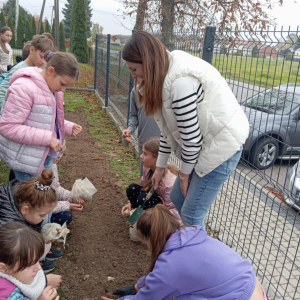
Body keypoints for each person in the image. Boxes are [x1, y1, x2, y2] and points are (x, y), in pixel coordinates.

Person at [122, 31, 249, 227]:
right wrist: (160, 168)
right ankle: (186, 243)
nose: (134, 76)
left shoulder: (179, 85)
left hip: (222, 147)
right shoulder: (165, 75)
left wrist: (183, 175)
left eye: (134, 69)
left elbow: (191, 140)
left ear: (147, 63)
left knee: (191, 215)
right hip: (204, 146)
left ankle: (195, 254)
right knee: (177, 198)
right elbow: (167, 133)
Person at [102, 205, 267, 300]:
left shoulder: (170, 265)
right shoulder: (189, 234)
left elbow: (147, 298)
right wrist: (137, 286)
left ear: (151, 239)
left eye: (145, 243)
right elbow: (161, 278)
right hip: (252, 284)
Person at [0, 51, 82, 183]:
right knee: (34, 200)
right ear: (50, 71)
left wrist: (67, 126)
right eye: (63, 84)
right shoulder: (24, 89)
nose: (63, 90)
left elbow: (45, 117)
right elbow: (8, 127)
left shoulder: (52, 88)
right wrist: (47, 139)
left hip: (42, 155)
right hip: (27, 162)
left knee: (44, 197)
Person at [0, 169, 63, 275]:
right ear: (25, 210)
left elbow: (29, 224)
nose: (44, 218)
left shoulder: (22, 202)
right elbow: (13, 253)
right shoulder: (7, 226)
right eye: (42, 215)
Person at [121, 138, 181, 223]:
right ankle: (136, 216)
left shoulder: (169, 183)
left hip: (165, 215)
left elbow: (173, 211)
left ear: (157, 159)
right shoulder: (147, 168)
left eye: (145, 154)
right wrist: (130, 203)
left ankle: (146, 222)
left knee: (143, 198)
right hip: (152, 200)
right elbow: (143, 188)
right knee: (132, 188)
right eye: (142, 152)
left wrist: (149, 215)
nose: (141, 156)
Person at [0, 222, 60, 300]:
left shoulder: (13, 272)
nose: (39, 267)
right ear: (3, 268)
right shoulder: (8, 295)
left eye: (37, 260)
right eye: (29, 265)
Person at [0, 34, 56, 109]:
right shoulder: (19, 69)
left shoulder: (37, 71)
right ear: (32, 50)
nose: (43, 62)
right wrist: (7, 112)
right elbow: (2, 92)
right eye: (41, 56)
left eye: (46, 59)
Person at [122, 86, 160, 175]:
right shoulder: (136, 90)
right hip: (144, 141)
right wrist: (130, 128)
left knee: (160, 179)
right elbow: (134, 115)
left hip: (162, 145)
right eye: (132, 71)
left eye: (135, 70)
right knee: (145, 177)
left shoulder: (164, 88)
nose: (134, 74)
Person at [51, 140, 86, 226]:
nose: (59, 156)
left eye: (61, 152)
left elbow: (56, 189)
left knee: (66, 216)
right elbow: (39, 205)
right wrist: (67, 205)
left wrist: (72, 197)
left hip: (45, 207)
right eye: (56, 152)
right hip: (35, 210)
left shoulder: (52, 165)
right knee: (65, 215)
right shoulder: (35, 173)